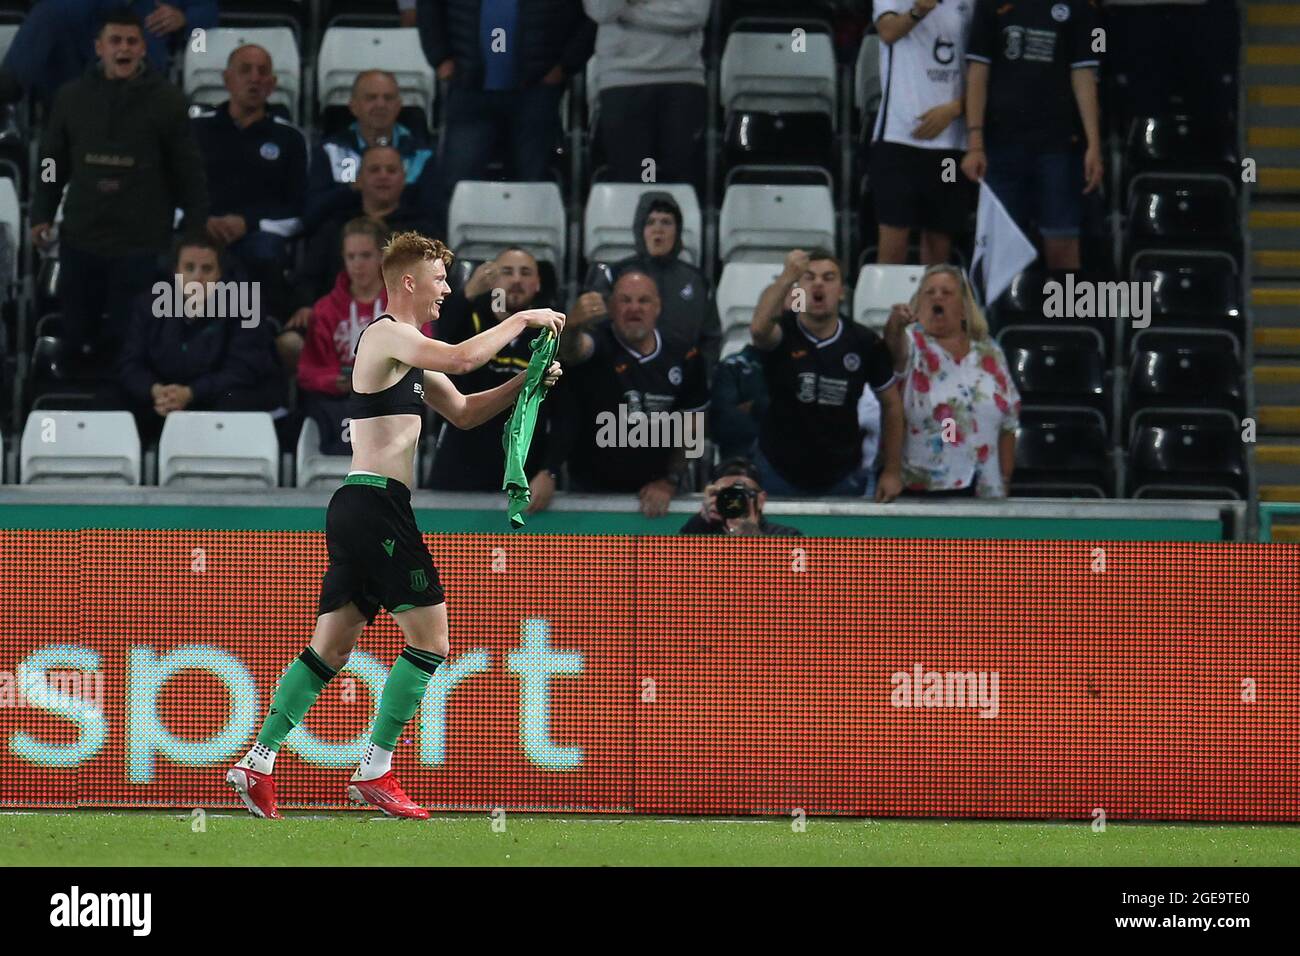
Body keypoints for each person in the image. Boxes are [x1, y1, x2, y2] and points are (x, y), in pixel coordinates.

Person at [226, 231, 564, 820]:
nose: (446, 290)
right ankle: (375, 769)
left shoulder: (410, 352)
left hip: (360, 507)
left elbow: (463, 411)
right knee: (431, 640)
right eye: (439, 279)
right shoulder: (386, 336)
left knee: (329, 647)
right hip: (377, 505)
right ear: (409, 281)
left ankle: (255, 762)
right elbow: (463, 357)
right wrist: (525, 318)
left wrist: (525, 382)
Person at [30, 9, 209, 356]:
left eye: (132, 41)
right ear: (99, 47)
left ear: (144, 48)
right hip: (81, 239)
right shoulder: (70, 98)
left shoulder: (168, 101)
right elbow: (51, 163)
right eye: (115, 41)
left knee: (131, 343)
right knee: (76, 337)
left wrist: (195, 232)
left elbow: (189, 173)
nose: (123, 48)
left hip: (141, 245)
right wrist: (42, 212)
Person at [421, 0, 595, 230]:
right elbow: (428, 7)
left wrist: (565, 65)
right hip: (470, 89)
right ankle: (451, 256)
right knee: (456, 184)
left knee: (534, 184)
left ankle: (529, 255)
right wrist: (440, 57)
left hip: (535, 91)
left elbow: (590, 17)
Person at [750, 248, 904, 500]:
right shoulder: (783, 332)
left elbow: (892, 404)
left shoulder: (865, 341)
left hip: (843, 475)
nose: (819, 283)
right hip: (777, 471)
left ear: (842, 291)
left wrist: (892, 470)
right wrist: (787, 277)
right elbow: (758, 330)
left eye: (829, 278)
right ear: (798, 290)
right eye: (809, 277)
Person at [553, 270, 709, 517]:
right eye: (625, 300)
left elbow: (693, 426)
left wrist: (670, 480)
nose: (634, 308)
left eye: (643, 301)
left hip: (657, 495)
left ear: (658, 307)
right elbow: (572, 351)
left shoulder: (685, 354)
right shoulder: (598, 342)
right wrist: (571, 325)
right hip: (589, 493)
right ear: (611, 307)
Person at [961, 0, 1102, 270]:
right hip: (1000, 142)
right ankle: (997, 312)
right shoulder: (991, 4)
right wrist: (975, 141)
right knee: (999, 245)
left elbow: (1083, 74)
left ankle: (1064, 309)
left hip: (1059, 143)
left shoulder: (1079, 7)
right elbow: (978, 71)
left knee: (1062, 239)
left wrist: (1093, 143)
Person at [191, 44, 308, 367]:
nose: (254, 79)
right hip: (200, 233)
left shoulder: (289, 139)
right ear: (227, 79)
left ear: (271, 84)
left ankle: (262, 336)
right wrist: (202, 220)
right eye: (245, 70)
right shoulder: (195, 131)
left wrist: (249, 223)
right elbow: (173, 192)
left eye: (262, 72)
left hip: (259, 237)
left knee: (264, 251)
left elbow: (299, 210)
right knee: (175, 256)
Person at [112, 236, 280, 446]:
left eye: (207, 269)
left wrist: (191, 393)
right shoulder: (147, 304)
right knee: (111, 401)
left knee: (235, 400)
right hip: (162, 398)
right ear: (175, 272)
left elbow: (243, 369)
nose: (197, 277)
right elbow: (130, 362)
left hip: (214, 396)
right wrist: (155, 390)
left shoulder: (246, 306)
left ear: (220, 275)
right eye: (189, 268)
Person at [429, 247, 557, 506]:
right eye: (507, 272)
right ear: (492, 281)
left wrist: (550, 470)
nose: (516, 280)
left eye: (525, 272)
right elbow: (442, 344)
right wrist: (466, 294)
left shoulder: (548, 333)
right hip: (460, 465)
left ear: (538, 284)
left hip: (520, 472)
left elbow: (564, 411)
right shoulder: (471, 317)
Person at [882, 264, 1019, 497]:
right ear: (918, 304)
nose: (938, 297)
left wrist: (1005, 478)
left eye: (947, 293)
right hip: (926, 489)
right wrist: (894, 324)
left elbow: (1009, 422)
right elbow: (894, 347)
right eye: (930, 292)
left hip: (986, 489)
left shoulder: (990, 351)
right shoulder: (912, 343)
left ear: (964, 309)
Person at [289, 146, 435, 336]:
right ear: (359, 180)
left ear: (403, 178)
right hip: (332, 322)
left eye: (391, 170)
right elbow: (307, 277)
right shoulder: (334, 226)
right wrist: (306, 305)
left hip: (403, 322)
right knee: (290, 342)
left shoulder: (423, 231)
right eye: (374, 170)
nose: (383, 176)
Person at [870, 0, 974, 265]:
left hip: (950, 143)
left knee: (939, 242)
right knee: (894, 238)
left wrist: (955, 108)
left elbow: (983, 66)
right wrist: (919, 10)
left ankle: (933, 306)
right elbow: (888, 31)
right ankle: (887, 305)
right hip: (898, 138)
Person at [574, 191, 721, 372]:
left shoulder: (697, 281)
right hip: (622, 381)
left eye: (666, 222)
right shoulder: (614, 275)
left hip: (681, 383)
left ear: (678, 230)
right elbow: (595, 333)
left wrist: (699, 378)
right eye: (650, 222)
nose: (658, 229)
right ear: (640, 230)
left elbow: (711, 339)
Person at [582, 0, 709, 195]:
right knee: (637, 176)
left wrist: (627, 11)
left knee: (680, 179)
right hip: (622, 80)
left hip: (681, 77)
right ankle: (641, 220)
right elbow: (600, 10)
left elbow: (695, 14)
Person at [0, 0, 217, 106]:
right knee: (50, 12)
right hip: (82, 43)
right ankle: (8, 91)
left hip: (144, 39)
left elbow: (208, 13)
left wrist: (184, 19)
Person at [297, 218, 391, 457]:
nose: (358, 265)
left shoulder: (403, 304)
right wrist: (332, 381)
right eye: (351, 257)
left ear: (382, 257)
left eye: (366, 256)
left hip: (390, 401)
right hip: (338, 401)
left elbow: (423, 359)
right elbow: (308, 370)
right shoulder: (326, 309)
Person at [306, 70, 435, 230]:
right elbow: (311, 214)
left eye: (388, 98)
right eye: (371, 98)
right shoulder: (331, 152)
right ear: (353, 106)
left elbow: (433, 216)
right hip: (342, 242)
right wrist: (354, 188)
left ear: (398, 106)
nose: (380, 104)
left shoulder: (421, 155)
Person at [679, 457, 804, 536]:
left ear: (761, 499)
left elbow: (794, 576)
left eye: (741, 493)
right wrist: (700, 521)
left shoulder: (787, 536)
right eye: (725, 493)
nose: (734, 500)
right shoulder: (697, 534)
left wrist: (756, 542)